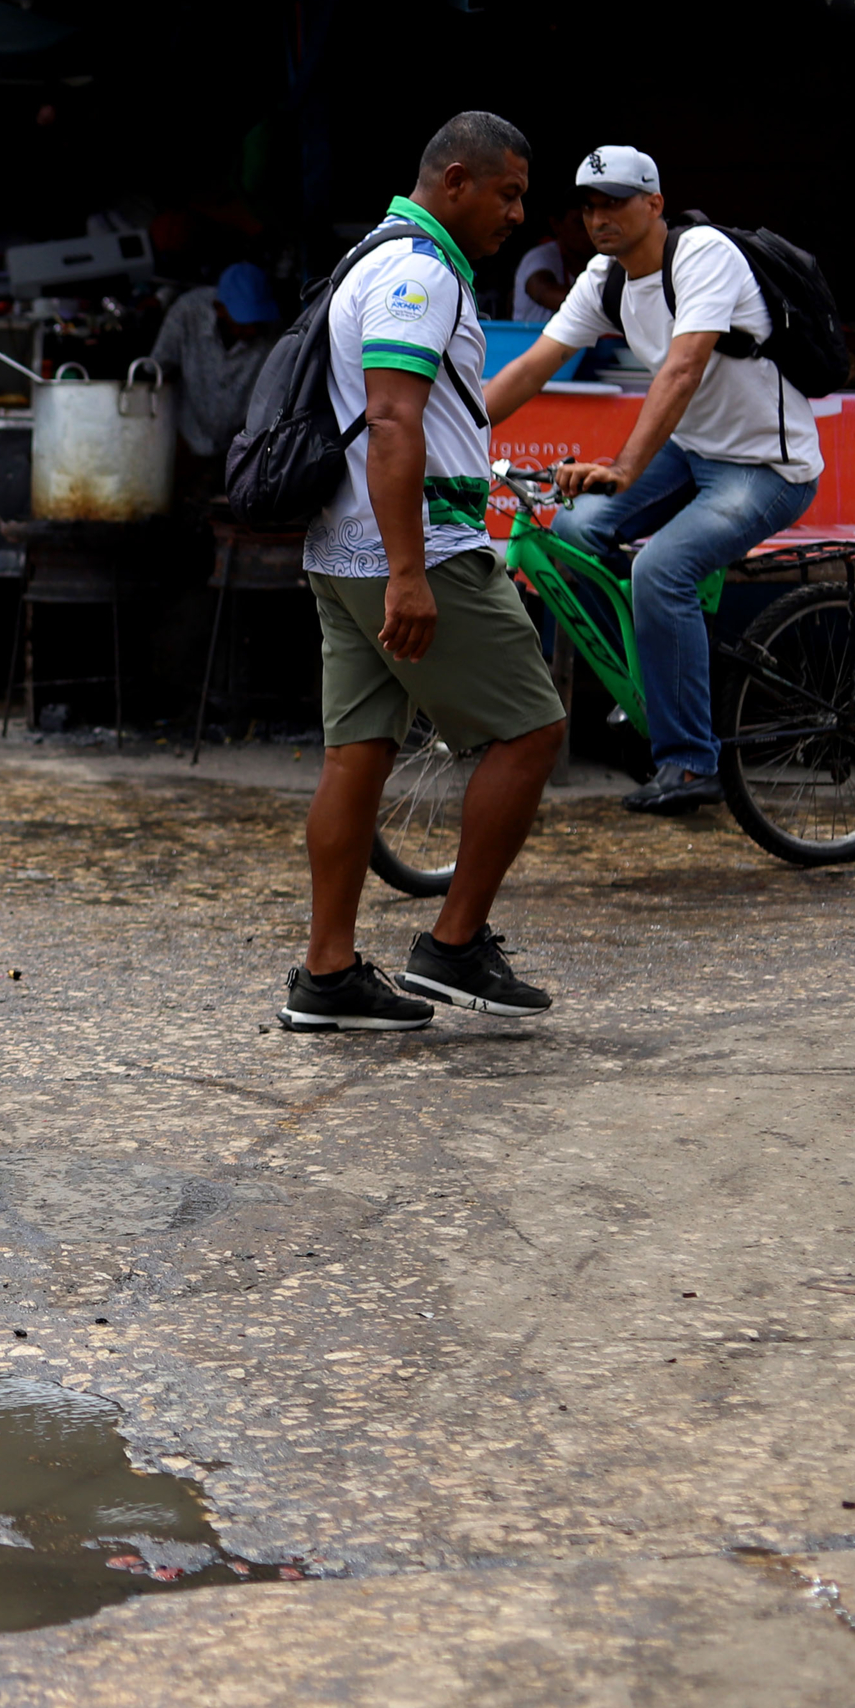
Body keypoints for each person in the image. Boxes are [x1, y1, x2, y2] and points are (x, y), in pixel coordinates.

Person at [283, 111, 569, 1036]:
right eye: (510, 192)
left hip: (340, 548)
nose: (519, 213)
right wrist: (409, 572)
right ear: (456, 180)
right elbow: (395, 421)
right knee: (530, 730)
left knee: (356, 753)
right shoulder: (420, 271)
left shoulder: (371, 255)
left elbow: (433, 411)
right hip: (418, 552)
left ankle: (326, 976)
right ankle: (452, 947)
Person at [485, 146, 824, 815]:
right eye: (589, 205)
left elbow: (682, 367)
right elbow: (533, 365)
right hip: (691, 452)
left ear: (655, 205)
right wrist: (455, 434)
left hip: (768, 468)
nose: (599, 217)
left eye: (615, 201)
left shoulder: (702, 256)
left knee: (660, 569)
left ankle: (691, 763)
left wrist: (625, 467)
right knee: (576, 531)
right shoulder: (604, 279)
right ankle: (653, 678)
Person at [149, 260, 280, 487]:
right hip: (186, 438)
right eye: (243, 321)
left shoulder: (273, 333)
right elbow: (159, 372)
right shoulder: (188, 312)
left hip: (241, 448)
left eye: (256, 321)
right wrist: (163, 437)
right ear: (220, 309)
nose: (251, 330)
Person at [512, 203, 591, 317]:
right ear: (556, 224)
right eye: (580, 223)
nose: (589, 229)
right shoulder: (539, 256)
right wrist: (604, 304)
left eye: (589, 221)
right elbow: (542, 292)